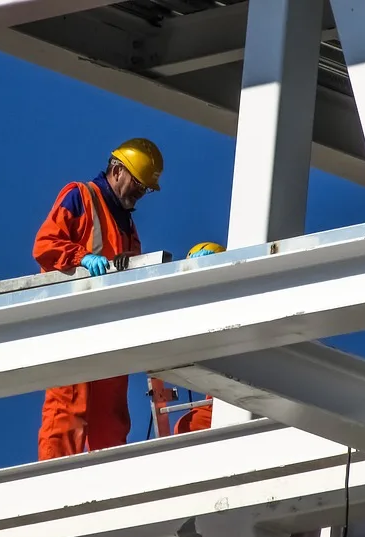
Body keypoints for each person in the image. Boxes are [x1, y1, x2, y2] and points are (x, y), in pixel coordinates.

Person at [32, 138, 164, 461]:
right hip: (71, 325)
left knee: (111, 421)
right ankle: (53, 488)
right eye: (138, 184)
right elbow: (45, 244)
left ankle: (108, 490)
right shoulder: (80, 196)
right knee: (67, 411)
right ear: (117, 171)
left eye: (145, 189)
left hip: (108, 332)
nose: (140, 194)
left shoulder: (129, 228)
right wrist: (80, 259)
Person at [173, 242, 226, 435]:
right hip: (220, 400)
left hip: (265, 397)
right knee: (188, 427)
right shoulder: (198, 316)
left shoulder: (238, 306)